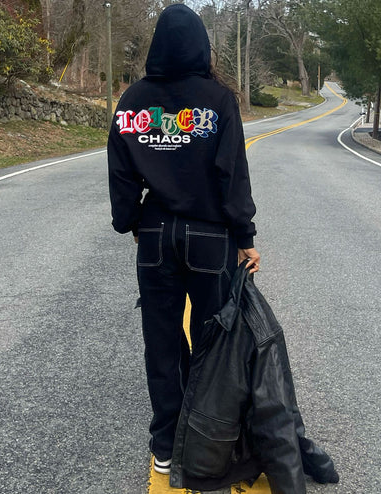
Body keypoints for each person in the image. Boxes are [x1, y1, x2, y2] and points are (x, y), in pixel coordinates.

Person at [107, 3, 259, 475]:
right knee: (216, 338)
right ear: (200, 46)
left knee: (162, 341)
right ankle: (213, 439)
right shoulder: (217, 100)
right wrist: (245, 236)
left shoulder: (132, 101)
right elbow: (232, 174)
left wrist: (131, 222)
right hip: (210, 236)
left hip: (155, 236)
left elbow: (120, 174)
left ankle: (167, 442)